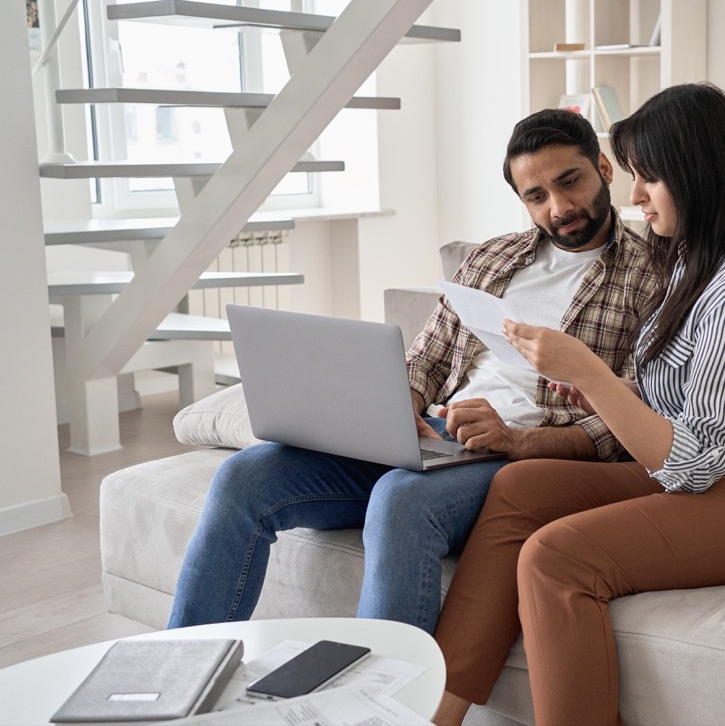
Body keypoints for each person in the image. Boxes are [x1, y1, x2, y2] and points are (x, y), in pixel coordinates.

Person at [431, 83, 725, 726]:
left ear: (695, 173)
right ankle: (438, 714)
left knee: (556, 557)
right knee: (519, 488)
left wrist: (590, 374)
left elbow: (696, 463)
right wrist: (581, 389)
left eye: (648, 179)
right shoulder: (697, 258)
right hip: (722, 467)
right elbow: (666, 403)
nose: (633, 197)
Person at [167, 108, 659, 636]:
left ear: (605, 169)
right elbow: (424, 361)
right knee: (245, 476)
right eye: (536, 196)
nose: (559, 208)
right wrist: (395, 404)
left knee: (400, 499)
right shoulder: (491, 259)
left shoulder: (652, 276)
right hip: (434, 437)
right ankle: (178, 673)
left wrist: (515, 440)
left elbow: (627, 423)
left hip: (520, 458)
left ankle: (389, 706)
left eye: (571, 182)